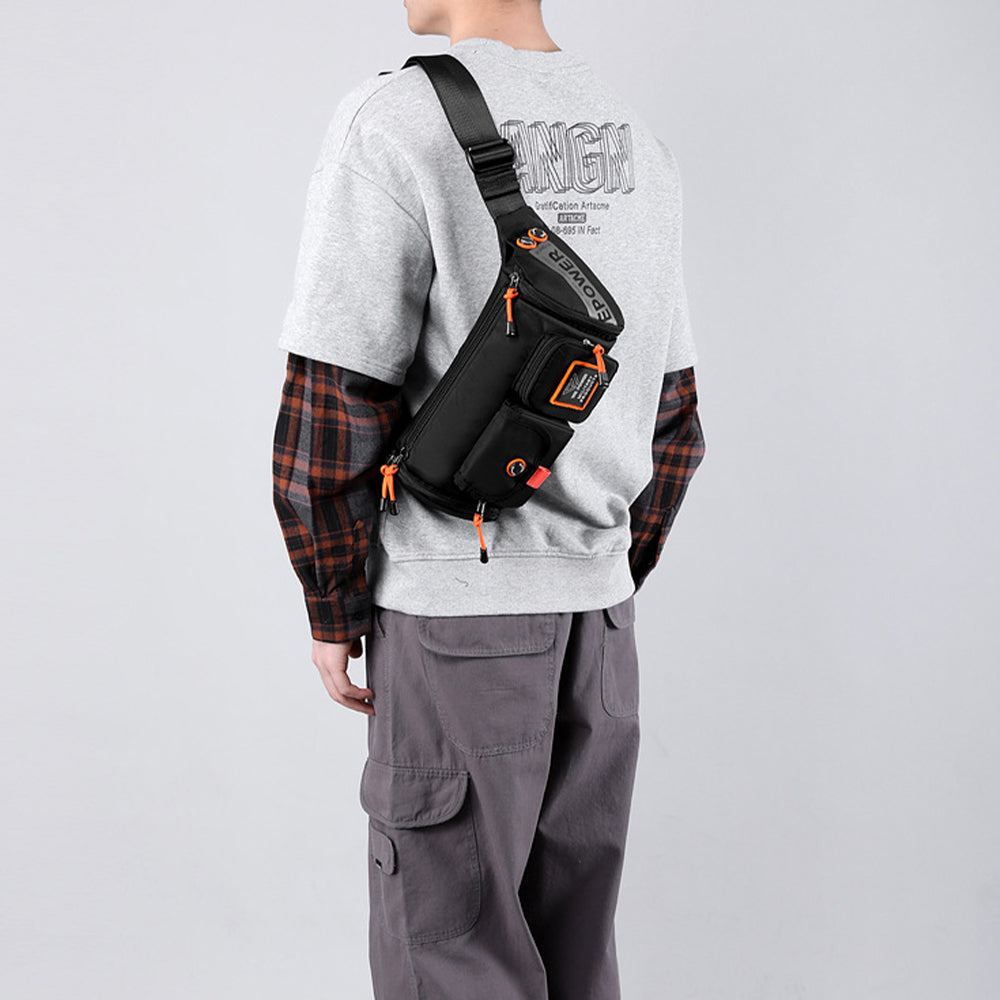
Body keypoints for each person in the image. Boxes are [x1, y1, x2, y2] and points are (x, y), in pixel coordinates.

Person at [272, 1, 706, 996]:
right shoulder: (638, 137)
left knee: (450, 955)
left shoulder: (394, 121)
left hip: (455, 621)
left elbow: (331, 401)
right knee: (574, 957)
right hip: (602, 637)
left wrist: (333, 606)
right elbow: (674, 415)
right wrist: (595, 571)